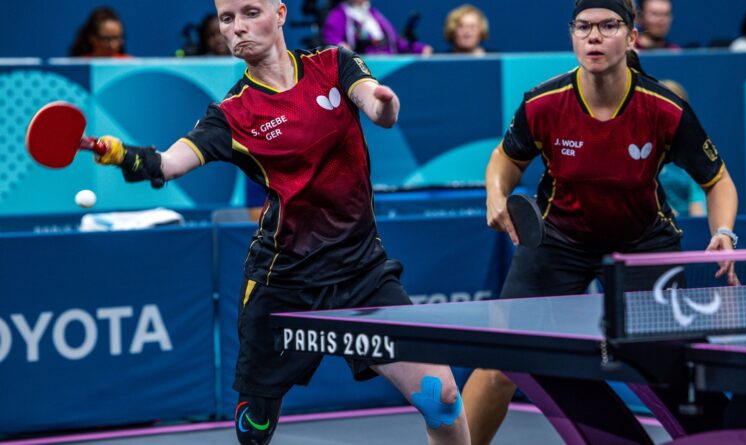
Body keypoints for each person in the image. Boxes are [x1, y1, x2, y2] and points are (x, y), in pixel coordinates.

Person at [93, 1, 468, 444]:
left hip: (361, 273)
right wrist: (123, 155)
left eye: (250, 13)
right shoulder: (232, 113)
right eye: (227, 18)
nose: (237, 29)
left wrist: (382, 106)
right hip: (285, 283)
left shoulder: (333, 63)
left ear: (281, 13)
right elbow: (170, 163)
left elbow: (373, 100)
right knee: (254, 427)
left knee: (441, 396)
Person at [462, 0, 739, 443]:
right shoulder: (543, 103)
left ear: (631, 37)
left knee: (670, 369)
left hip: (643, 243)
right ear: (571, 35)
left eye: (609, 25)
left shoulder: (664, 109)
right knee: (500, 362)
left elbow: (718, 180)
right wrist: (496, 194)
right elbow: (506, 158)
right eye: (584, 26)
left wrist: (723, 232)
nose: (594, 36)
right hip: (558, 239)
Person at [659, 79, 705, 216]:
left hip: (688, 224)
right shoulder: (643, 147)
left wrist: (697, 225)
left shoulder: (694, 145)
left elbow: (697, 197)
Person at [321, 0, 433, 55]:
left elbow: (396, 43)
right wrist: (340, 47)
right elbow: (332, 42)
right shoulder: (338, 16)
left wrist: (420, 49)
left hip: (390, 66)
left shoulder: (374, 15)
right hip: (362, 71)